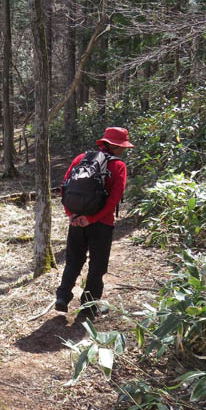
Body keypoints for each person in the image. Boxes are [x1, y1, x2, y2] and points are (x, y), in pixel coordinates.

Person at [54, 127, 134, 317]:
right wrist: (91, 219)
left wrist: (71, 215)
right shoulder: (118, 165)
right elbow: (113, 200)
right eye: (123, 146)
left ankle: (62, 297)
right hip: (102, 223)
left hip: (76, 221)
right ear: (116, 146)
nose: (125, 149)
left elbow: (64, 188)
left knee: (73, 260)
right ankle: (89, 306)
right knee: (97, 265)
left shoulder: (81, 158)